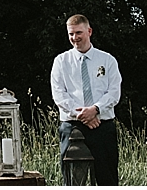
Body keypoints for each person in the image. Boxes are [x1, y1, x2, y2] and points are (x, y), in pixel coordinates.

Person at [51, 14, 122, 185]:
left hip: (102, 125)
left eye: (78, 33)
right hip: (72, 126)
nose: (74, 38)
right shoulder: (61, 61)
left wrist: (95, 110)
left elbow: (114, 92)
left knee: (107, 178)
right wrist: (83, 115)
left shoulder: (107, 60)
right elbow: (59, 94)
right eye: (71, 34)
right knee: (72, 180)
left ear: (89, 31)